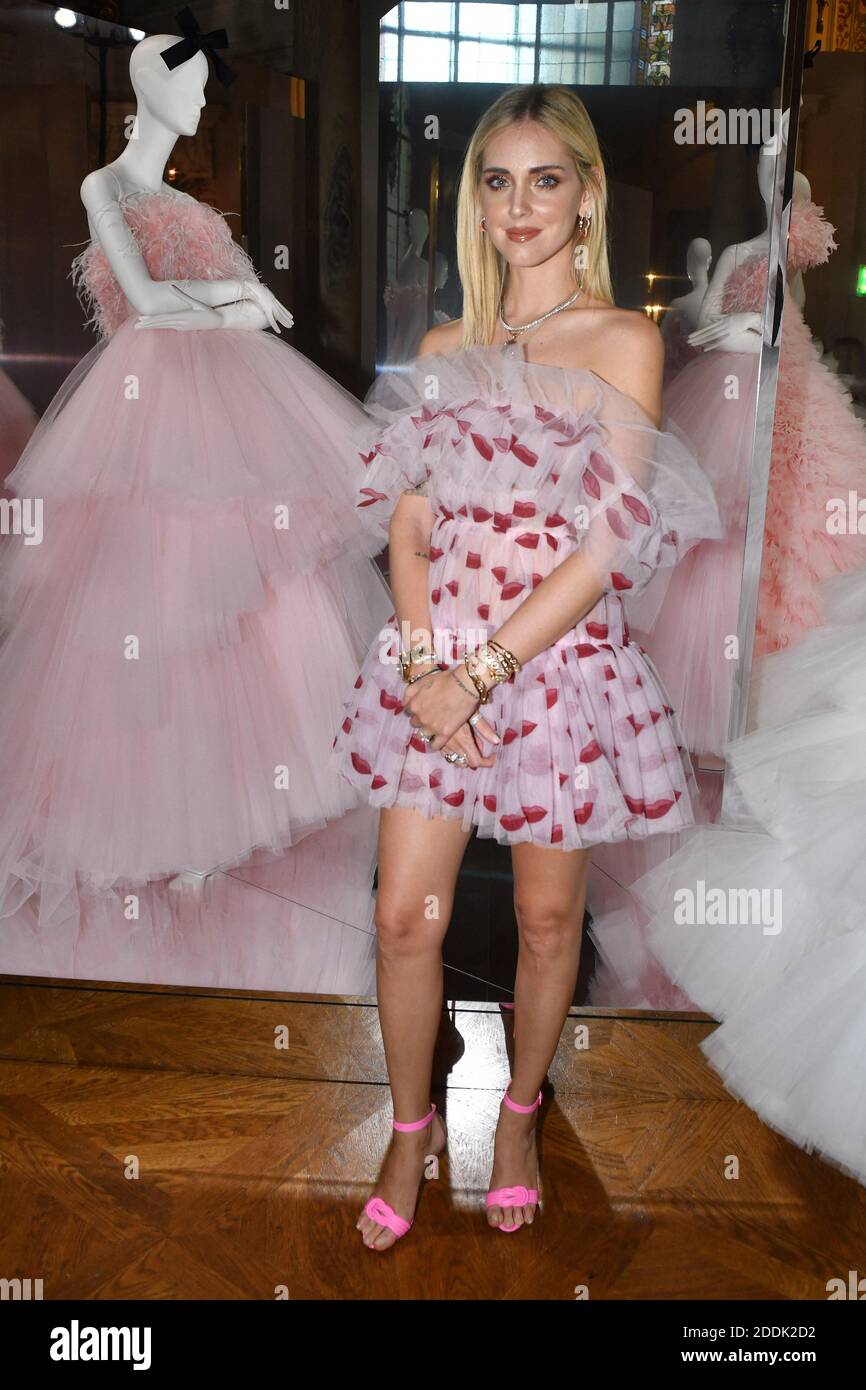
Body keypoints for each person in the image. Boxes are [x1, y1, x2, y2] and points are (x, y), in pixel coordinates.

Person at [330, 84, 721, 1250]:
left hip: (554, 666)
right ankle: (410, 1130)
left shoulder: (624, 341)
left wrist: (482, 671)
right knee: (404, 918)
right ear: (474, 199)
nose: (518, 204)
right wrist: (424, 666)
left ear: (585, 196)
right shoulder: (442, 348)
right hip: (434, 664)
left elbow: (607, 547)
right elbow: (407, 526)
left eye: (544, 179)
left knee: (549, 921)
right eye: (496, 181)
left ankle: (515, 1117)